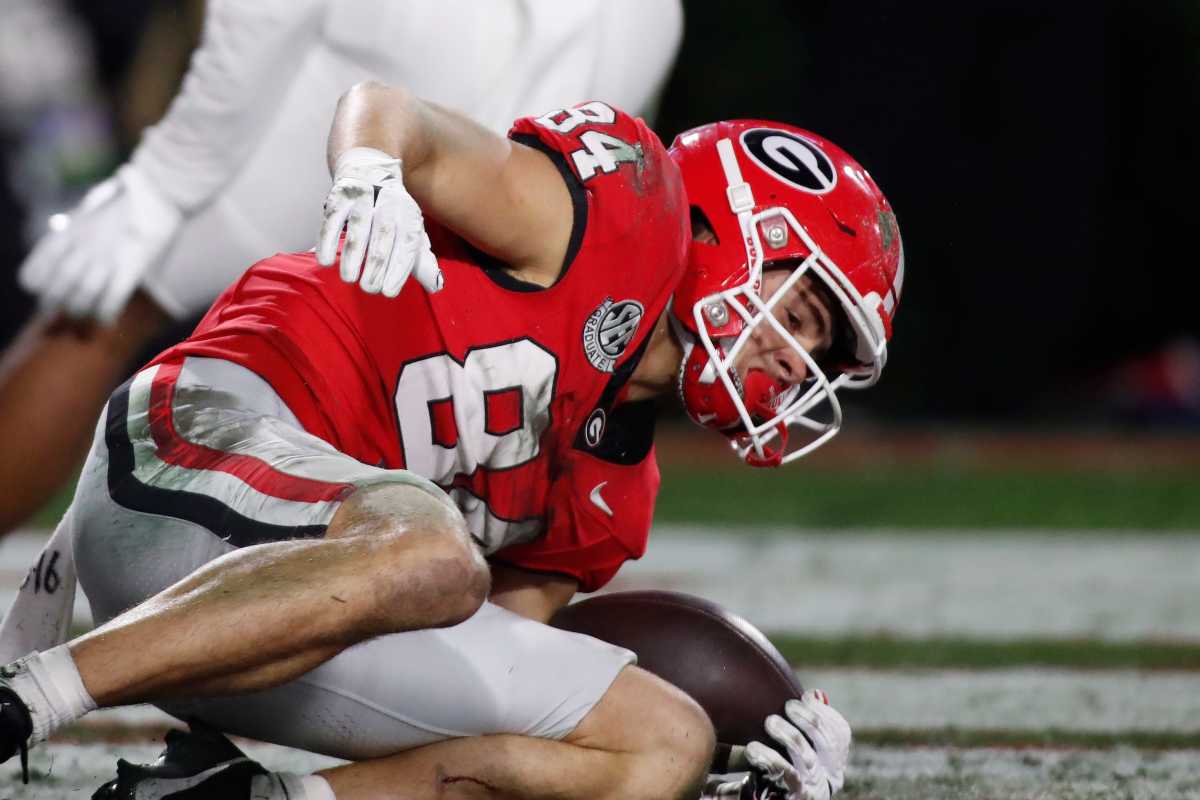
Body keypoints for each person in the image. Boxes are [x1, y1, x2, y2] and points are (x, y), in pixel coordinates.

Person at [0, 80, 902, 798]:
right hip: (188, 450)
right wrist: (368, 172)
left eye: (821, 348)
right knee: (432, 552)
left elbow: (486, 723)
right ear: (728, 225)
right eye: (808, 310)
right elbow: (389, 111)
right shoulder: (613, 218)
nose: (798, 362)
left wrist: (723, 775)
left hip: (259, 634)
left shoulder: (611, 497)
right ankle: (22, 700)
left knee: (656, 742)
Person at [0, 0, 684, 537]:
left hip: (402, 50)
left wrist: (167, 179)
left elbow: (269, 9)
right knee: (463, 370)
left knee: (109, 308)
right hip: (623, 26)